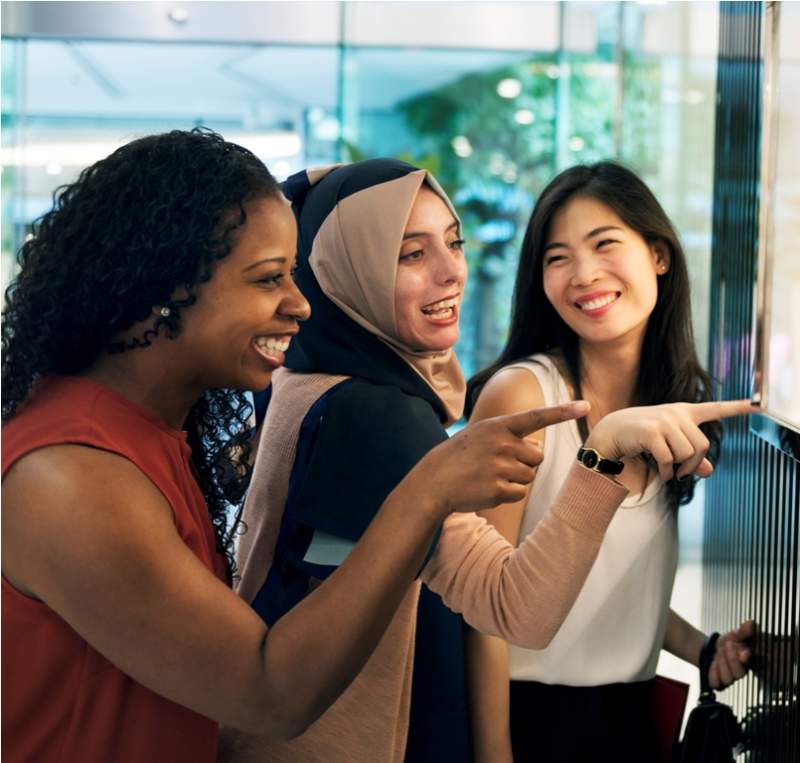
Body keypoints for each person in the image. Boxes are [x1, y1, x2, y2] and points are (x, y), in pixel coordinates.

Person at [1, 130, 594, 763]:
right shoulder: (74, 477)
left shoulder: (143, 429)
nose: (300, 305)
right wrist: (430, 488)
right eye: (267, 280)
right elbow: (272, 692)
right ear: (164, 291)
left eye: (296, 272)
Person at [221, 159, 752, 763]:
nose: (453, 274)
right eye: (409, 254)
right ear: (345, 269)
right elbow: (506, 607)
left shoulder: (313, 384)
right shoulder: (372, 415)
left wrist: (701, 650)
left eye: (453, 243)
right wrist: (601, 454)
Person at [465, 161, 755, 763]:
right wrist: (494, 755)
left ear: (659, 255)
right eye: (557, 257)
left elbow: (612, 583)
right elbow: (483, 610)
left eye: (604, 244)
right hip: (531, 719)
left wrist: (703, 649)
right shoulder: (525, 396)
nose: (584, 274)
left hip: (632, 719)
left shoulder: (673, 407)